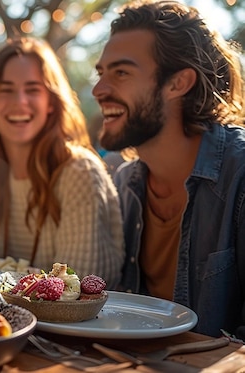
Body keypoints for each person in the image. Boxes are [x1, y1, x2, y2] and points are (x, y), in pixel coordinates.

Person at [93, 0, 245, 338]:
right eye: (101, 73)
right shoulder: (127, 183)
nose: (99, 90)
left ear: (178, 83)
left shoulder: (240, 176)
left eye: (121, 72)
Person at [0, 37, 125, 287]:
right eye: (5, 90)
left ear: (51, 102)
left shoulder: (79, 172)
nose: (20, 102)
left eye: (32, 89)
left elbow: (77, 287)